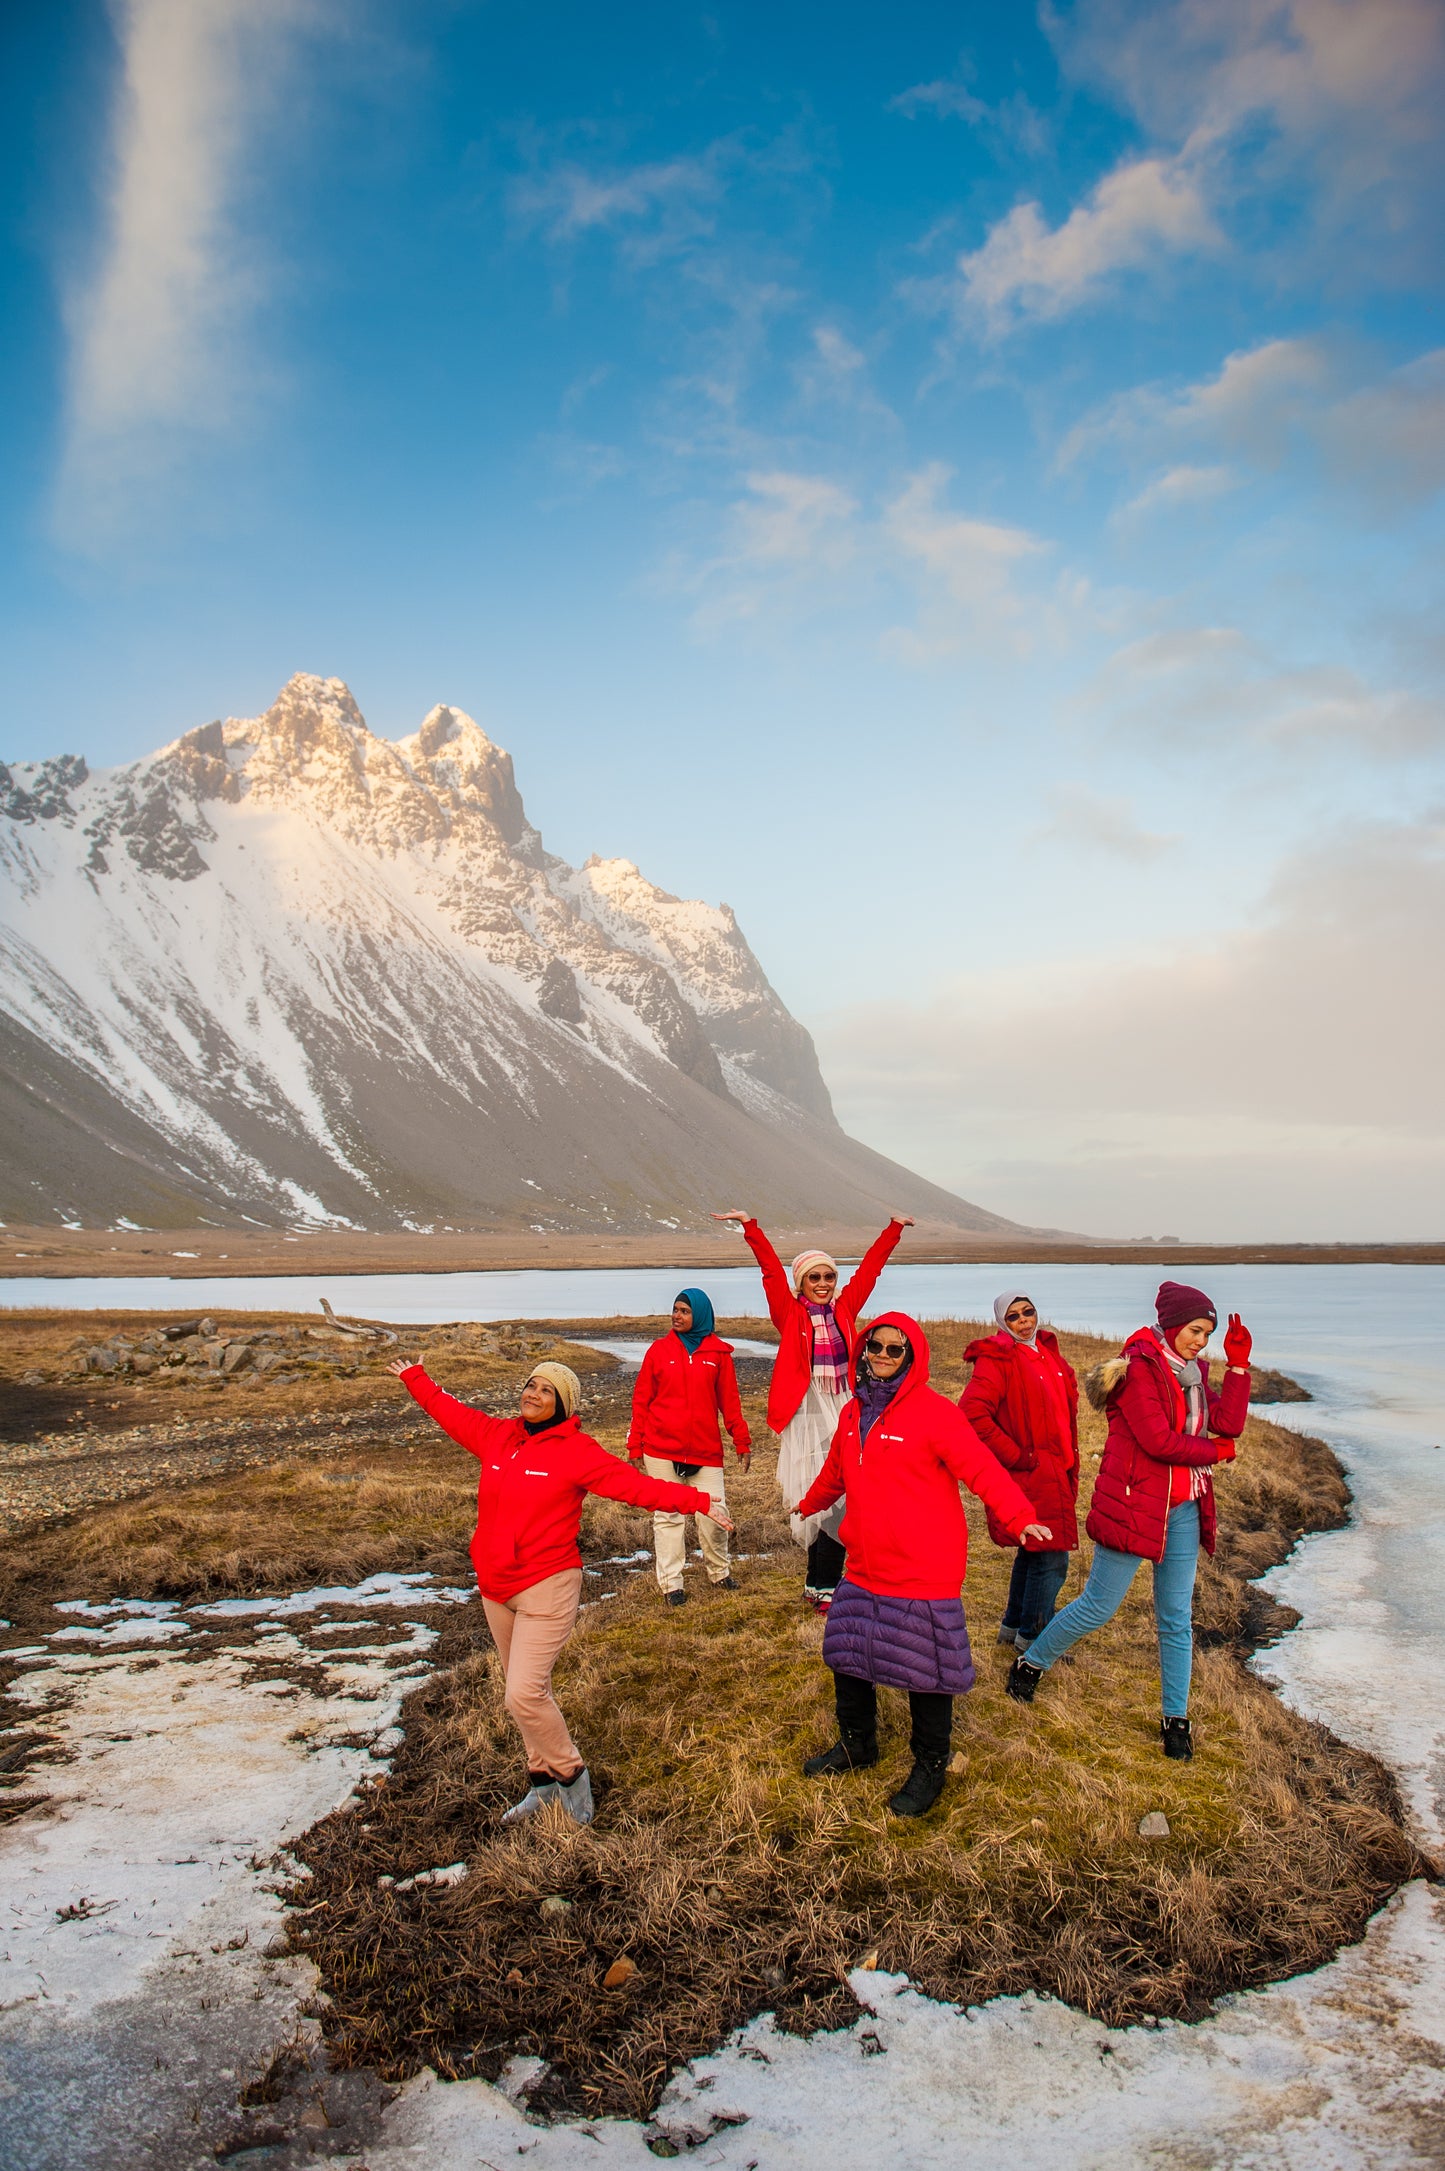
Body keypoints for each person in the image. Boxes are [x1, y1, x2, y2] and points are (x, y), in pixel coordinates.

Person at [388, 1351, 733, 1825]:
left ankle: (573, 1779)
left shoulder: (577, 1452)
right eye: (531, 1385)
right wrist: (415, 1377)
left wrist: (696, 1500)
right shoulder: (498, 1437)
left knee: (522, 1694)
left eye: (546, 1390)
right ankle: (541, 1784)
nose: (533, 1394)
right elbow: (450, 1411)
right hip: (496, 1584)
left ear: (564, 1404)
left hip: (547, 1585)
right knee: (528, 1691)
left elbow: (632, 1486)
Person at [794, 1313, 1052, 1817]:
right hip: (864, 1565)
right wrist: (808, 1503)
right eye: (876, 1347)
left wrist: (1020, 1516)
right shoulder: (852, 1414)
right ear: (864, 1352)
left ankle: (931, 1763)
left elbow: (981, 1469)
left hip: (922, 1569)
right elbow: (836, 1473)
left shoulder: (935, 1414)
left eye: (896, 1350)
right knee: (847, 1654)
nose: (884, 1357)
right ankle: (856, 1745)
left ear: (912, 1358)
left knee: (926, 1672)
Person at [1005, 1282, 1252, 1760]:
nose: (1202, 1342)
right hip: (1134, 1504)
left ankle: (1175, 1720)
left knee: (1176, 1618)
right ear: (1174, 1325)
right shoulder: (1140, 1370)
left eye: (1209, 1334)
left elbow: (1232, 1423)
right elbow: (1159, 1441)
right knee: (1099, 1605)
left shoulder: (1195, 1373)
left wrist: (1238, 1367)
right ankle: (1031, 1663)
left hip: (1183, 1506)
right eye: (1196, 1331)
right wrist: (1215, 1452)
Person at [711, 1207, 914, 1608]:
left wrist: (893, 1230)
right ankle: (820, 1585)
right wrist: (751, 1226)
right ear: (801, 1283)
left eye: (829, 1276)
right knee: (819, 1497)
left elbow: (870, 1271)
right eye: (814, 1277)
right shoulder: (789, 1314)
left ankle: (822, 1584)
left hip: (843, 1407)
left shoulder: (845, 1307)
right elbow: (770, 1272)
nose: (823, 1284)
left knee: (845, 1497)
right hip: (806, 1413)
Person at [962, 1290, 1080, 1653]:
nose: (1024, 1320)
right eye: (1013, 1316)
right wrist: (1016, 1456)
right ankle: (1035, 1639)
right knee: (1052, 1557)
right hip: (1032, 1471)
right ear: (1002, 1323)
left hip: (1056, 1467)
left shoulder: (1045, 1351)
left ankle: (1013, 1629)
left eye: (1028, 1311)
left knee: (1033, 1552)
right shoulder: (998, 1359)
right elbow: (972, 1414)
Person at [627, 1288, 752, 1605]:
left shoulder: (719, 1355)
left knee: (714, 1515)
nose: (677, 1316)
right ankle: (671, 1585)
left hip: (705, 1450)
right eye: (675, 1309)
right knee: (668, 1518)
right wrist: (635, 1446)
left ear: (700, 1314)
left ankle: (719, 1573)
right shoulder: (658, 1350)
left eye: (684, 1310)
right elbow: (642, 1400)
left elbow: (730, 1403)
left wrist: (741, 1440)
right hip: (660, 1449)